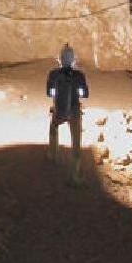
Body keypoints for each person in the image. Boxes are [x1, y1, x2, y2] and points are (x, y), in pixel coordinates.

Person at [46, 44, 89, 182]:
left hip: (59, 110)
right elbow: (85, 94)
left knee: (53, 127)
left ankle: (53, 154)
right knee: (76, 142)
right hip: (75, 112)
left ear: (60, 59)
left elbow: (49, 93)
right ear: (73, 60)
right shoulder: (79, 75)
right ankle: (75, 174)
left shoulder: (53, 74)